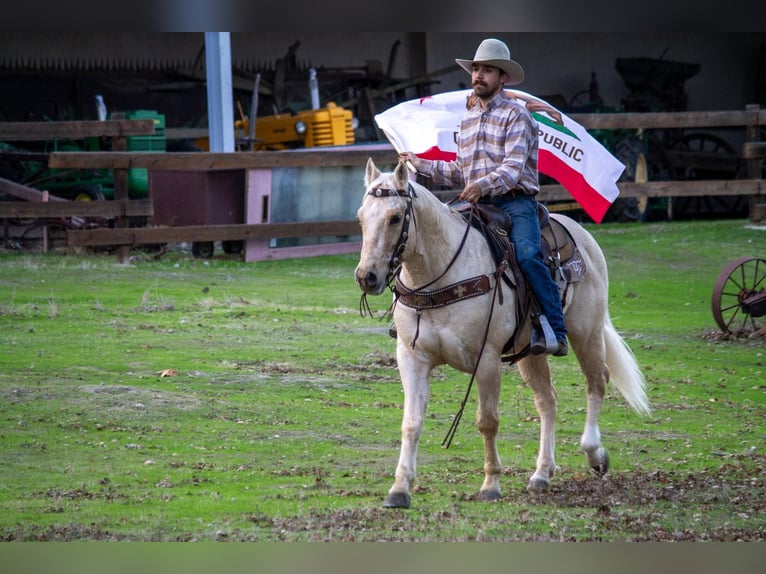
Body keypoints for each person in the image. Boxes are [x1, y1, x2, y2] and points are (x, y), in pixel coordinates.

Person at [400, 38, 568, 357]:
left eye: (487, 70)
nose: (479, 75)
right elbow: (461, 171)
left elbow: (512, 169)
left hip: (514, 203)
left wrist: (482, 185)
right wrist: (422, 165)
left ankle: (554, 329)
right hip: (478, 204)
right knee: (426, 237)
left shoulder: (517, 116)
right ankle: (413, 314)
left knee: (529, 255)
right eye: (476, 69)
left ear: (502, 77)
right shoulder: (467, 120)